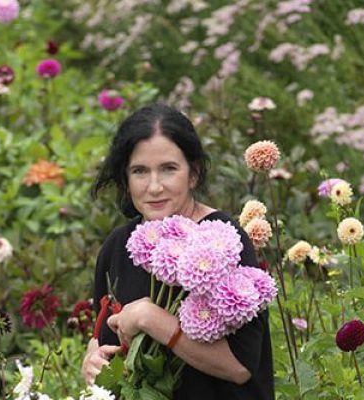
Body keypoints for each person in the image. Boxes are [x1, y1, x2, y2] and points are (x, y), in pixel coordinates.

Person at [82, 103, 274, 400]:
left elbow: (240, 367)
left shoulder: (222, 239)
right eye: (140, 171)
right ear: (125, 178)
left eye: (169, 169)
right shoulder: (117, 248)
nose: (155, 187)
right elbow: (101, 340)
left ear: (193, 173)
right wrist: (94, 364)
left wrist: (150, 318)